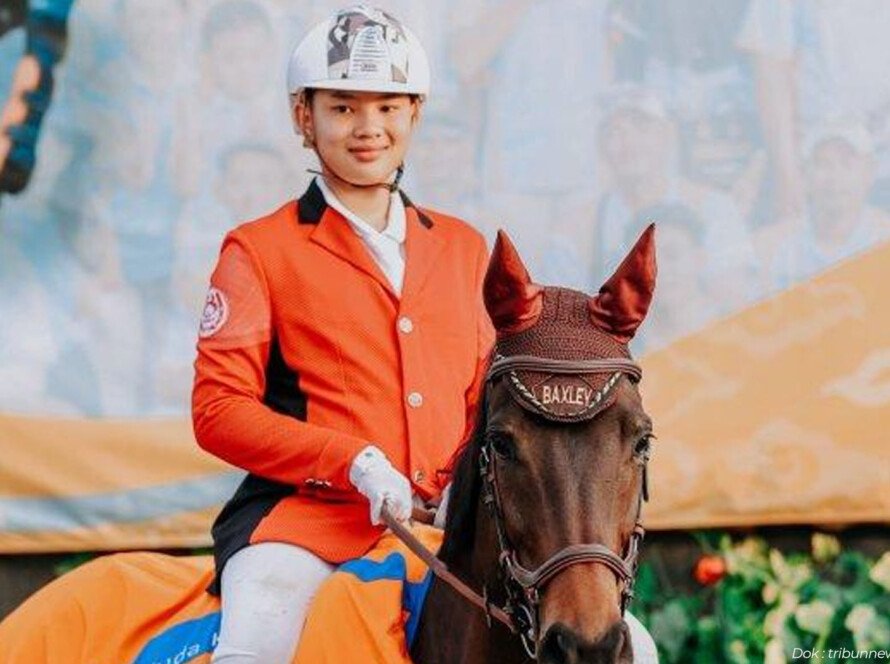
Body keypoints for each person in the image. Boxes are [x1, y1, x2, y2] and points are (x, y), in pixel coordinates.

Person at [191, 6, 493, 662]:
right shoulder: (257, 250)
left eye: (387, 106)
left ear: (415, 113)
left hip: (452, 527)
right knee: (256, 646)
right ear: (304, 117)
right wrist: (352, 461)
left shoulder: (465, 248)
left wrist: (462, 483)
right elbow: (218, 411)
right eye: (343, 108)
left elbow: (484, 398)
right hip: (305, 528)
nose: (368, 128)